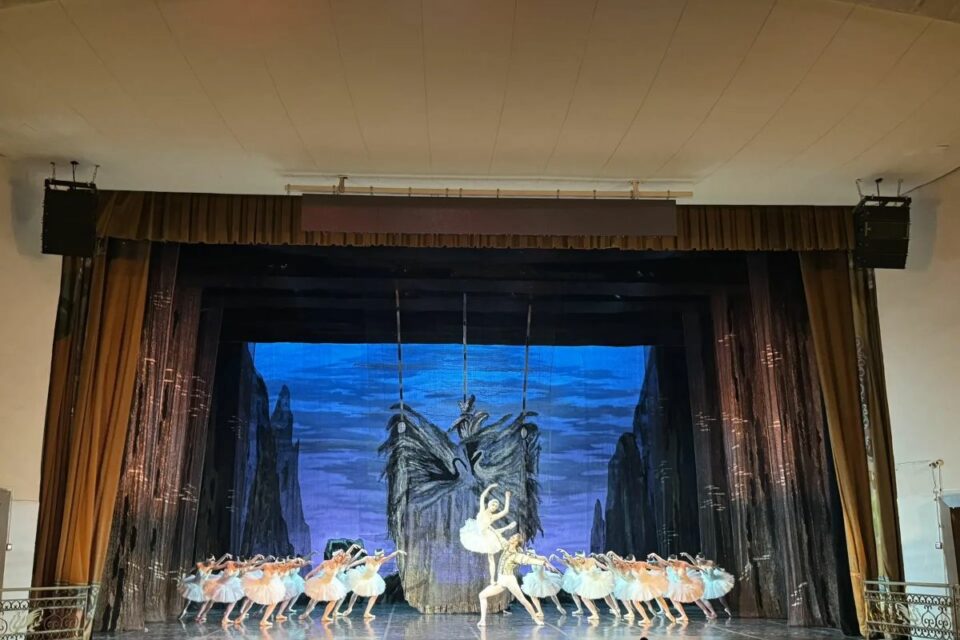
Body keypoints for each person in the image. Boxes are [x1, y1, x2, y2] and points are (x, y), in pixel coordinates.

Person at [477, 533, 559, 627]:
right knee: (482, 595)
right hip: (501, 581)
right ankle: (482, 621)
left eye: (513, 538)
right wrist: (487, 529)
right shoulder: (506, 546)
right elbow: (498, 536)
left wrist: (544, 563)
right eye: (511, 536)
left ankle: (536, 619)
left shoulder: (516, 556)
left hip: (509, 580)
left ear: (516, 542)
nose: (510, 538)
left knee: (522, 600)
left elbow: (529, 559)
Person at [459, 483, 516, 583]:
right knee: (494, 532)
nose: (494, 507)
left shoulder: (493, 517)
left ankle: (492, 579)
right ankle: (508, 527)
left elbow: (505, 511)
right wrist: (490, 487)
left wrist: (507, 497)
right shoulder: (482, 510)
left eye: (496, 506)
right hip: (476, 532)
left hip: (486, 535)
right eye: (493, 504)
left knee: (491, 557)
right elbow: (482, 496)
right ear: (489, 504)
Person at [340, 548, 406, 619]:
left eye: (381, 556)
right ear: (376, 555)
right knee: (356, 592)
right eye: (379, 556)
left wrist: (398, 551)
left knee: (375, 595)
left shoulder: (381, 560)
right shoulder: (368, 558)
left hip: (372, 578)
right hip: (363, 577)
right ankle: (349, 609)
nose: (380, 558)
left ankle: (367, 613)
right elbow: (358, 562)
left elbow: (391, 556)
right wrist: (349, 566)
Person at [300, 550, 356, 622]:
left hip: (331, 584)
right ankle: (306, 613)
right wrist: (308, 575)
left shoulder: (339, 565)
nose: (339, 557)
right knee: (314, 600)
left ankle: (325, 616)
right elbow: (316, 570)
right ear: (334, 555)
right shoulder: (325, 562)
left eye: (340, 556)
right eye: (338, 555)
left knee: (334, 600)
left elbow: (347, 556)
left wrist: (351, 549)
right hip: (321, 582)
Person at [197, 556, 245, 626]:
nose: (241, 564)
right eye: (240, 562)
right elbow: (216, 567)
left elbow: (240, 575)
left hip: (227, 585)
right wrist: (224, 556)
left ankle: (205, 615)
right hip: (218, 583)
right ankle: (199, 615)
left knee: (213, 601)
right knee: (208, 600)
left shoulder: (241, 567)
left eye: (242, 563)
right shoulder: (229, 563)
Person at [686, 552, 734, 618]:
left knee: (722, 599)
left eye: (699, 558)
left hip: (715, 581)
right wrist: (687, 555)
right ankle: (711, 612)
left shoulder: (710, 562)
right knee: (703, 597)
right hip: (707, 583)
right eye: (697, 559)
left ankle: (727, 608)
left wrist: (720, 571)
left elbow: (716, 567)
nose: (698, 560)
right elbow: (692, 560)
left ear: (703, 558)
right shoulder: (698, 565)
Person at [519, 548, 565, 616]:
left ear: (534, 553)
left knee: (552, 593)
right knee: (532, 595)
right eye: (528, 554)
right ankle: (540, 612)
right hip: (535, 579)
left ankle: (559, 606)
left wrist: (559, 573)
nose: (529, 556)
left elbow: (550, 566)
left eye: (530, 554)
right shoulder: (530, 560)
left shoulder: (542, 558)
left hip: (544, 578)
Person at [177, 556, 218, 621]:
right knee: (189, 597)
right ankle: (184, 610)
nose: (212, 561)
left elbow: (218, 563)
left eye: (213, 560)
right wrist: (184, 575)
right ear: (207, 559)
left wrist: (225, 556)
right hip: (195, 583)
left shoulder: (211, 567)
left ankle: (201, 615)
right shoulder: (199, 564)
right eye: (211, 559)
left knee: (207, 600)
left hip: (203, 585)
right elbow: (190, 570)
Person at [553, 550, 584, 616]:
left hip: (580, 577)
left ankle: (592, 608)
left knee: (584, 594)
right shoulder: (568, 562)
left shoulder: (574, 560)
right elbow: (561, 561)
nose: (564, 560)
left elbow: (572, 563)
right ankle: (580, 609)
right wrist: (555, 557)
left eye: (565, 558)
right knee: (574, 594)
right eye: (564, 558)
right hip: (574, 578)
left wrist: (564, 553)